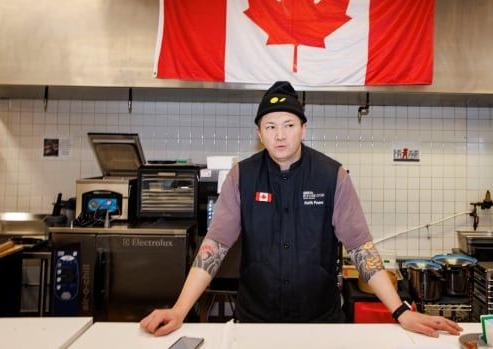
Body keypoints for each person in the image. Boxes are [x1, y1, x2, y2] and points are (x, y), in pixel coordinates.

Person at [140, 81, 462, 337]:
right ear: (259, 133)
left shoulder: (331, 175)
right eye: (270, 126)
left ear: (303, 128)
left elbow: (362, 250)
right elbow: (215, 246)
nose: (280, 135)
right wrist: (180, 310)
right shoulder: (243, 176)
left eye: (288, 125)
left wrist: (401, 311)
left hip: (320, 323)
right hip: (255, 324)